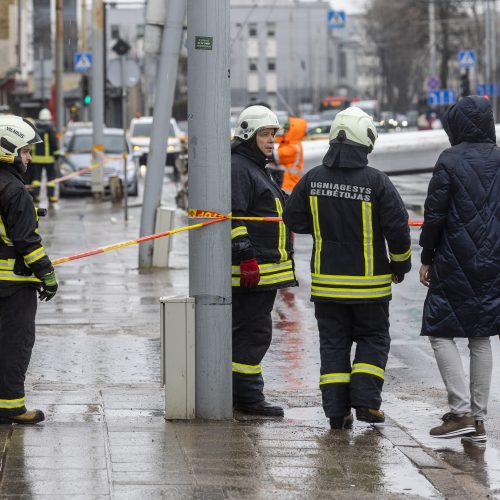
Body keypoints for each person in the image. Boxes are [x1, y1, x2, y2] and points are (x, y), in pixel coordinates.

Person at [283, 107, 411, 429]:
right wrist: (400, 265)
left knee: (333, 344)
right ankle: (367, 403)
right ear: (365, 141)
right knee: (373, 338)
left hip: (326, 285)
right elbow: (398, 230)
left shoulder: (312, 179)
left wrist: (326, 227)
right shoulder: (377, 183)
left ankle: (337, 413)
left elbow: (292, 218)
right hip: (370, 286)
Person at [419, 95, 500, 444]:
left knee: (440, 331)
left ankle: (460, 410)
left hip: (454, 257)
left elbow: (435, 212)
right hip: (494, 260)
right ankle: (478, 420)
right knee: (481, 335)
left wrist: (426, 255)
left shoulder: (449, 159)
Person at [231, 105, 298, 416]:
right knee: (253, 333)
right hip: (254, 271)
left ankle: (244, 393)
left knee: (254, 331)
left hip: (264, 270)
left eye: (273, 134)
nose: (272, 141)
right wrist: (246, 256)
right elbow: (234, 216)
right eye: (265, 135)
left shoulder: (255, 167)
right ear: (248, 135)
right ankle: (247, 397)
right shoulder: (240, 168)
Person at [0, 115, 58, 425]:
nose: (30, 157)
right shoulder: (15, 190)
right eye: (25, 151)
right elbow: (27, 243)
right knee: (15, 344)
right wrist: (47, 274)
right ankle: (11, 407)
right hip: (14, 283)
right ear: (8, 150)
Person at [30, 108, 59, 204]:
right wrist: (56, 155)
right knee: (50, 178)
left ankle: (36, 195)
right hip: (49, 159)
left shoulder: (35, 127)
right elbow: (53, 143)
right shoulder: (50, 128)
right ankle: (51, 196)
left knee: (36, 178)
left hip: (36, 159)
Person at [274, 117, 307, 193]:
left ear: (294, 131)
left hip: (289, 188)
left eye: (287, 129)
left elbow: (273, 156)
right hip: (286, 185)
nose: (284, 131)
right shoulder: (287, 145)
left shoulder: (294, 148)